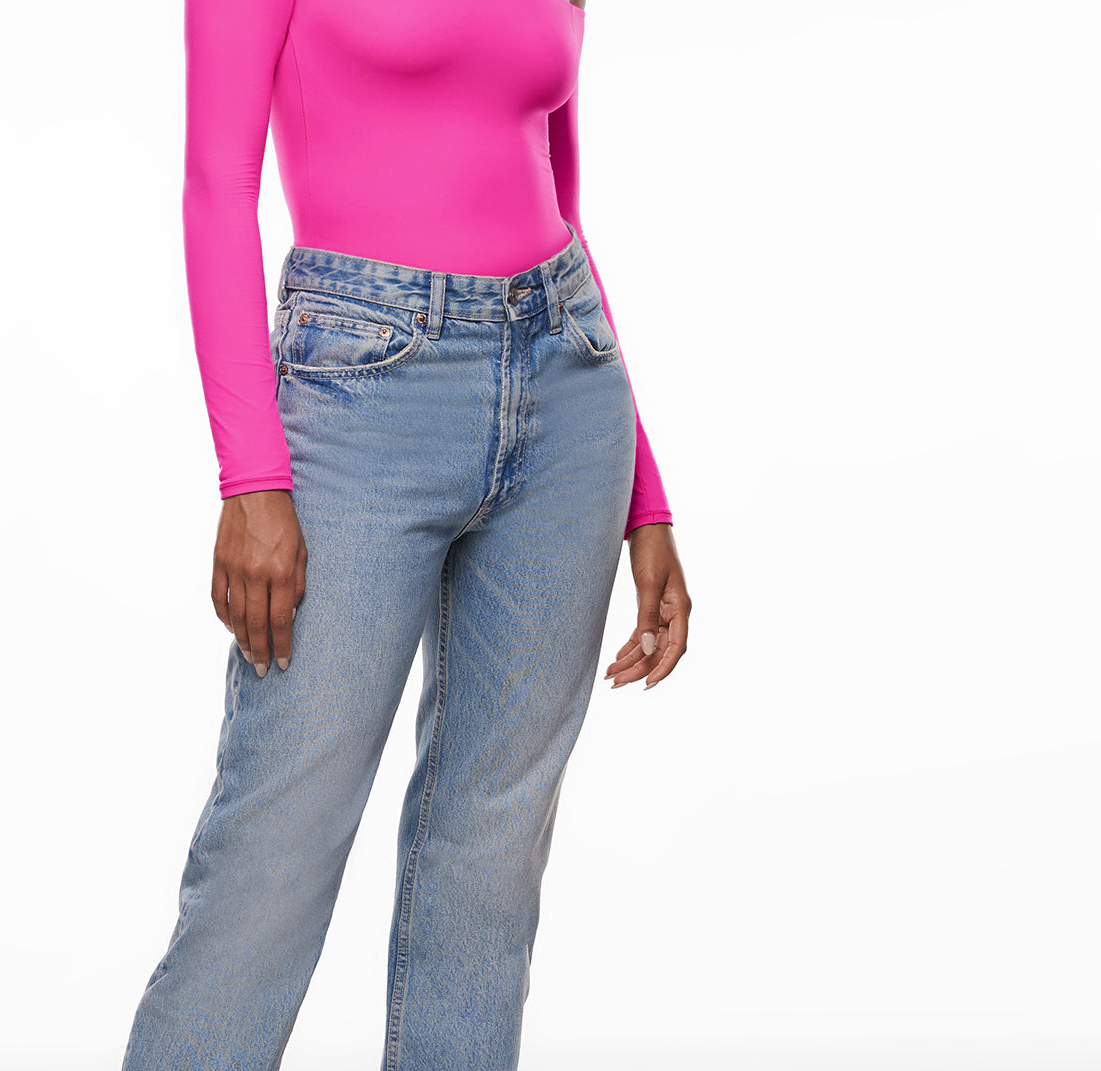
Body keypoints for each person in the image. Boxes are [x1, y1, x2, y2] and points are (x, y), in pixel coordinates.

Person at [121, 0, 692, 1066]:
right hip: (361, 393)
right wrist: (253, 480)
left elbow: (564, 200)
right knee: (273, 848)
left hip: (567, 386)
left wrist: (644, 499)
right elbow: (216, 187)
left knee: (488, 864)